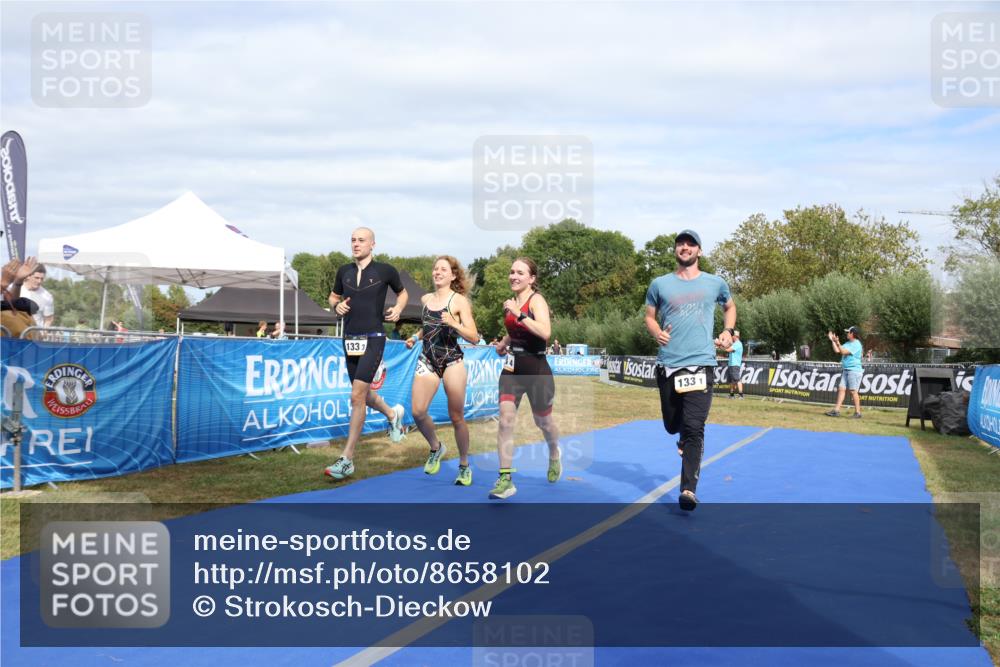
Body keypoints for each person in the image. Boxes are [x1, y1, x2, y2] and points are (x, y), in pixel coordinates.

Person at [644, 229, 736, 512]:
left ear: (699, 250)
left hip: (701, 364)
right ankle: (680, 434)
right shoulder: (660, 284)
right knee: (673, 424)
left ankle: (688, 489)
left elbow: (730, 307)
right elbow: (649, 316)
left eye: (691, 244)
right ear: (675, 250)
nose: (685, 248)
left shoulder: (715, 283)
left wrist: (728, 331)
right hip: (668, 364)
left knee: (695, 427)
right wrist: (657, 331)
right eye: (681, 244)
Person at [324, 227, 409, 480]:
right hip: (349, 338)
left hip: (374, 338)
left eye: (361, 240)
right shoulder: (344, 271)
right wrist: (335, 305)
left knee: (356, 396)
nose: (356, 244)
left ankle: (347, 459)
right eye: (352, 240)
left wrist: (398, 308)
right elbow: (332, 296)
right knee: (362, 396)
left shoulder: (385, 271)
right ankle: (393, 414)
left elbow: (402, 293)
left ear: (373, 244)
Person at [490, 257, 561, 500]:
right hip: (512, 370)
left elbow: (545, 332)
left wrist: (518, 313)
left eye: (520, 272)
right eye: (512, 272)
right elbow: (515, 331)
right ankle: (505, 478)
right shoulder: (511, 302)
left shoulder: (536, 300)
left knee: (543, 422)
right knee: (506, 420)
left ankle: (553, 452)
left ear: (531, 278)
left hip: (536, 368)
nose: (514, 276)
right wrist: (503, 343)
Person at [405, 256, 480, 485]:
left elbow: (474, 337)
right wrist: (415, 336)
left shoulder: (458, 302)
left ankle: (465, 465)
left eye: (443, 269)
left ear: (453, 275)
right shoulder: (426, 299)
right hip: (428, 358)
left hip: (451, 361)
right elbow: (428, 326)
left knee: (456, 416)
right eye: (435, 269)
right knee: (417, 412)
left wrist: (454, 323)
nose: (437, 272)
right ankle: (436, 447)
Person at [825, 326, 864, 419]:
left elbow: (843, 351)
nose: (847, 334)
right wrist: (833, 341)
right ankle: (836, 411)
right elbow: (837, 350)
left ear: (852, 334)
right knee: (841, 389)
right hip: (846, 370)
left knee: (853, 391)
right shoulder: (848, 343)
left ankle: (858, 413)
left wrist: (837, 342)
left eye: (848, 332)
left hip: (853, 370)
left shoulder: (856, 344)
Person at [20, 263, 54, 328]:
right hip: (15, 334)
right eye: (36, 278)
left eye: (42, 279)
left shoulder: (47, 296)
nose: (39, 281)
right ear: (28, 276)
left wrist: (44, 332)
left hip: (35, 334)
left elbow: (49, 319)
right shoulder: (16, 289)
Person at [717, 329, 744, 398]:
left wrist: (719, 346)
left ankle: (741, 395)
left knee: (737, 379)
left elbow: (728, 350)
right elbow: (727, 347)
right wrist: (721, 345)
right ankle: (732, 395)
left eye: (732, 336)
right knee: (732, 381)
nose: (731, 337)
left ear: (736, 336)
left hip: (735, 364)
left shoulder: (738, 344)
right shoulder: (735, 344)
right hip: (731, 364)